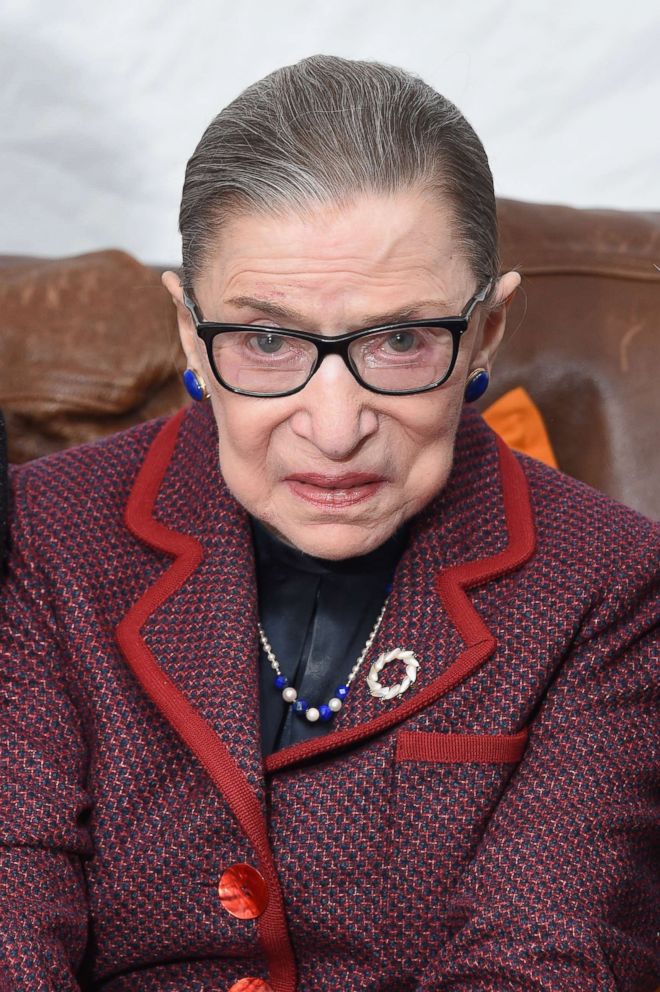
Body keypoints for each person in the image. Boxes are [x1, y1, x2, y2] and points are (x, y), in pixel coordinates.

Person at [0, 55, 657, 992]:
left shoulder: (613, 583)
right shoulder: (42, 537)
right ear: (191, 330)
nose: (336, 427)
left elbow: (544, 964)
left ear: (487, 332)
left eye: (401, 340)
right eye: (267, 341)